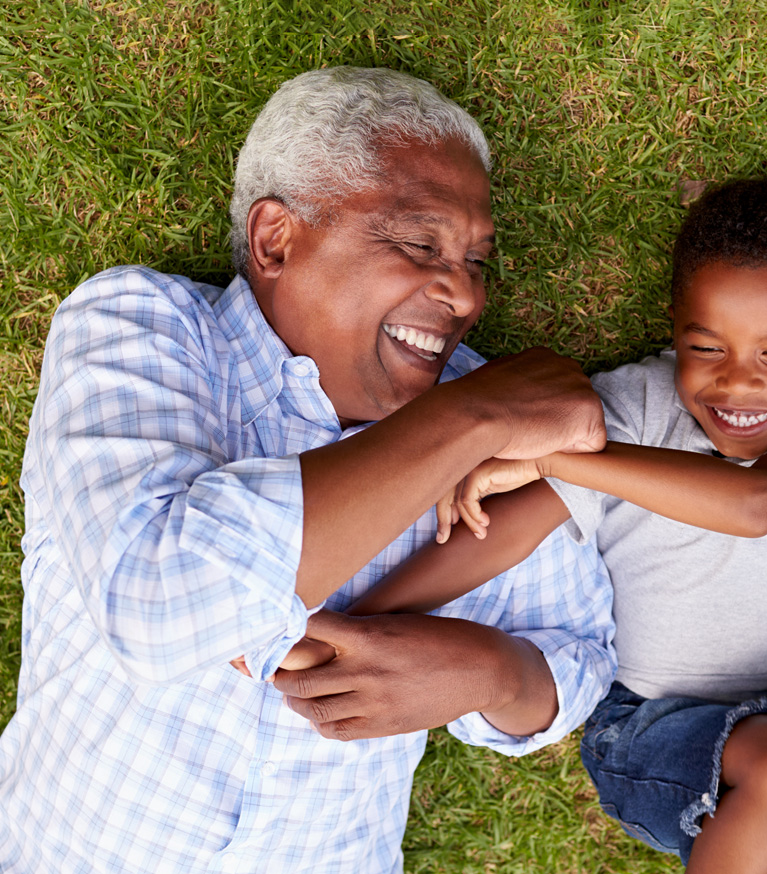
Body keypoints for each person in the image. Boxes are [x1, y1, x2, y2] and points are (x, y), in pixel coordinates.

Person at [0, 67, 617, 873]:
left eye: (475, 260)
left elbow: (577, 657)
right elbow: (160, 604)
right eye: (418, 244)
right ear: (275, 240)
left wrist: (487, 673)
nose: (462, 294)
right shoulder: (140, 328)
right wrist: (472, 418)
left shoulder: (493, 421)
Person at [297, 177, 767, 874]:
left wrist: (560, 457)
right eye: (706, 349)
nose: (737, 385)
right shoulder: (631, 404)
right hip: (646, 724)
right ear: (675, 329)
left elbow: (761, 506)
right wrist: (361, 620)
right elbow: (511, 530)